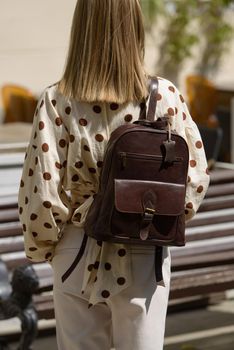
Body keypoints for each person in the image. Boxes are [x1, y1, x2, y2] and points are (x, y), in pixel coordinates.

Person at [18, 1, 210, 349]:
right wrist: (152, 213)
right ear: (135, 26)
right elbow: (194, 180)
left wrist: (49, 249)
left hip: (77, 243)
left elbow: (41, 195)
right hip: (143, 242)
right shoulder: (164, 96)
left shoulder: (56, 100)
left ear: (80, 30)